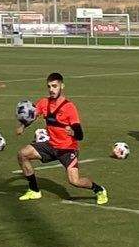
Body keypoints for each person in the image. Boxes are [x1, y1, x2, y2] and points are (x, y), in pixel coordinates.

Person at [16, 72, 108, 204]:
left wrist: (73, 133)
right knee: (22, 154)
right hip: (51, 145)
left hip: (67, 149)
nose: (51, 89)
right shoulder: (44, 102)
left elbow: (80, 135)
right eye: (49, 86)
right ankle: (34, 190)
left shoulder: (69, 107)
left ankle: (99, 189)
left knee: (74, 181)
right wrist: (23, 125)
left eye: (54, 86)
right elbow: (33, 115)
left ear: (62, 86)